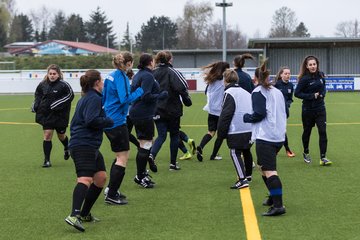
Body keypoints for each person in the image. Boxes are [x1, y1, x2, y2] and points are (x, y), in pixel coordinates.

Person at [65, 70, 114, 232]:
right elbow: (91, 120)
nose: (103, 83)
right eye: (102, 80)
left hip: (89, 145)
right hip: (83, 144)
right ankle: (74, 215)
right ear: (97, 83)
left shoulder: (90, 97)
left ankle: (85, 213)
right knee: (85, 179)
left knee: (100, 178)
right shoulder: (93, 98)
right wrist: (108, 120)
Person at [244, 60, 287, 216]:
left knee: (269, 171)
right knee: (262, 167)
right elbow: (285, 112)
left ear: (255, 78)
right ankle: (273, 196)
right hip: (278, 136)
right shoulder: (277, 91)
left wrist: (247, 117)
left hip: (266, 136)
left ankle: (278, 206)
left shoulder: (257, 91)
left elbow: (259, 114)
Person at [102, 52, 144, 205]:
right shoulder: (121, 77)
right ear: (129, 63)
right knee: (122, 157)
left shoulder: (110, 75)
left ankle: (111, 189)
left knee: (121, 154)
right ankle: (112, 194)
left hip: (108, 118)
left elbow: (104, 96)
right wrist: (140, 91)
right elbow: (124, 99)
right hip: (117, 121)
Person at [130, 53, 168, 188]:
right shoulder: (147, 76)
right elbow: (145, 96)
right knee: (145, 145)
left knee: (145, 144)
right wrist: (160, 95)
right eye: (153, 61)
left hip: (138, 112)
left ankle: (142, 174)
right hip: (143, 114)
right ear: (150, 62)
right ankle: (140, 176)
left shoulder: (139, 74)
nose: (154, 63)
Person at [149, 50, 192, 170]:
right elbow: (183, 87)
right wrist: (187, 100)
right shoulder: (173, 72)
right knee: (174, 135)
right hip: (172, 109)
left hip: (157, 109)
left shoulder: (152, 73)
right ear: (170, 59)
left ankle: (152, 155)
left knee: (161, 135)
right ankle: (173, 164)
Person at [32, 64, 74, 168]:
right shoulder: (42, 84)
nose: (52, 76)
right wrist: (35, 105)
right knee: (47, 135)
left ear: (58, 74)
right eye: (50, 73)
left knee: (61, 136)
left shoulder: (64, 85)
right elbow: (38, 95)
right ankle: (47, 160)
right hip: (47, 115)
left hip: (60, 115)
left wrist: (56, 104)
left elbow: (70, 96)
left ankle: (66, 147)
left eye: (54, 74)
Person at [217, 69, 253, 189]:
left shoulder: (229, 93)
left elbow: (226, 114)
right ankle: (248, 175)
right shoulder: (246, 92)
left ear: (225, 80)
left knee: (234, 152)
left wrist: (221, 133)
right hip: (250, 128)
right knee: (247, 150)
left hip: (236, 128)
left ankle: (242, 180)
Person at [294, 55, 332, 166]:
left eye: (314, 64)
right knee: (307, 132)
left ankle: (323, 157)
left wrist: (322, 94)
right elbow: (297, 93)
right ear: (306, 66)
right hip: (308, 110)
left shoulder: (321, 75)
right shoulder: (304, 79)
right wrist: (312, 96)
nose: (313, 66)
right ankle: (306, 152)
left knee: (323, 131)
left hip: (320, 109)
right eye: (310, 64)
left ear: (317, 65)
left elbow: (323, 87)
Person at [274, 66, 295, 157]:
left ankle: (277, 149)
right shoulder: (276, 84)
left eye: (289, 73)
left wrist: (288, 104)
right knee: (280, 130)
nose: (287, 75)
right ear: (281, 74)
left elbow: (290, 99)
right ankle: (287, 150)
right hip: (275, 111)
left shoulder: (291, 85)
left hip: (284, 112)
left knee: (281, 130)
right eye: (285, 73)